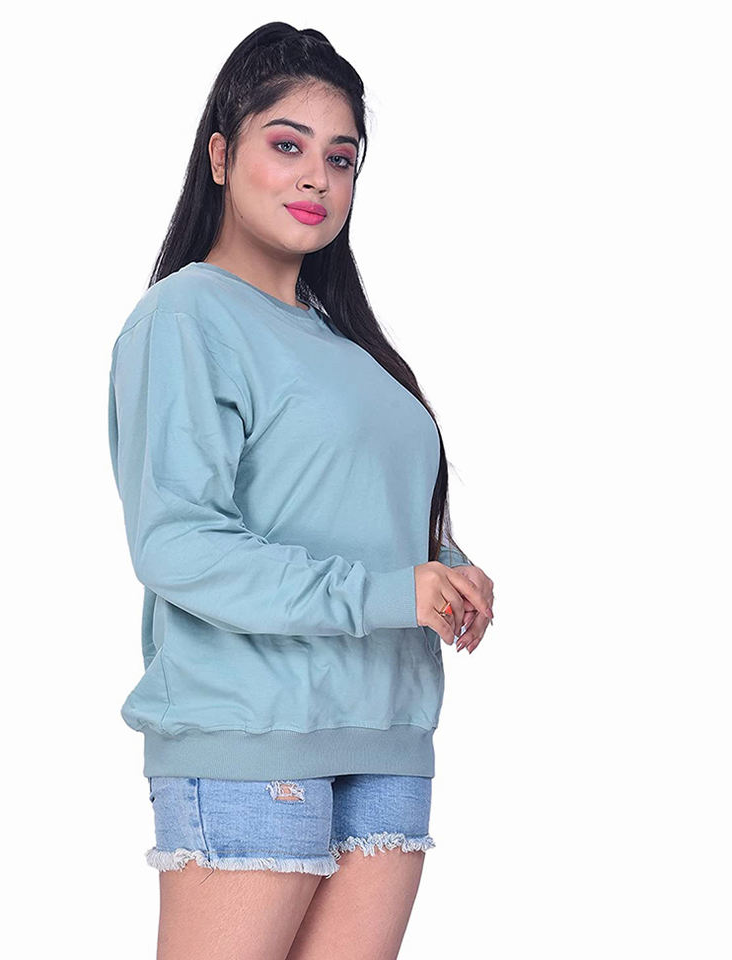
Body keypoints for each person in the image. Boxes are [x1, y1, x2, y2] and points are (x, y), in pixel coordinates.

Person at [107, 21, 495, 960]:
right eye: (287, 145)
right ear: (220, 156)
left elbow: (358, 508)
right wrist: (390, 592)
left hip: (386, 731)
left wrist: (447, 569)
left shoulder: (347, 342)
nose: (317, 177)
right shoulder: (186, 316)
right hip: (255, 730)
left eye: (341, 158)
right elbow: (179, 544)